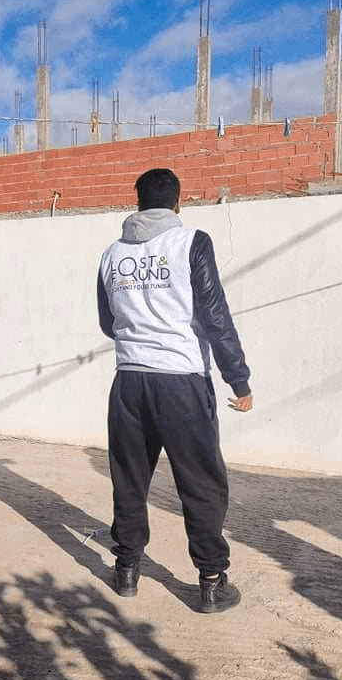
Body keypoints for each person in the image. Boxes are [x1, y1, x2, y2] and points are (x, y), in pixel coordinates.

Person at [96, 168, 253, 613]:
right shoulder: (191, 243)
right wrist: (238, 379)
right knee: (201, 482)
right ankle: (211, 581)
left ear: (138, 203)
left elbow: (108, 322)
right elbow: (215, 316)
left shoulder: (111, 254)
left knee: (129, 478)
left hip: (129, 382)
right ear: (178, 203)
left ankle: (126, 569)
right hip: (181, 381)